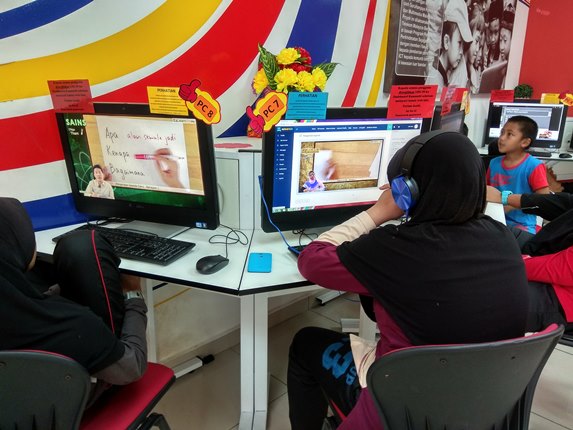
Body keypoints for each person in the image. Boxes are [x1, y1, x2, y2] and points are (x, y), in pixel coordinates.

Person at [288, 131, 529, 429]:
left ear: (407, 192)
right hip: (482, 403)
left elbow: (311, 260)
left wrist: (378, 212)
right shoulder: (503, 237)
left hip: (401, 407)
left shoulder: (394, 248)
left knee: (305, 343)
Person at [0, 197, 148, 407]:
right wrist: (133, 295)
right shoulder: (71, 326)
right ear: (20, 245)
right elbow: (132, 368)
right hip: (59, 412)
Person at [486, 188, 573, 332]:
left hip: (561, 297)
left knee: (482, 295)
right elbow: (564, 203)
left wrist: (508, 263)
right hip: (550, 249)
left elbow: (563, 269)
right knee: (487, 231)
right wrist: (505, 198)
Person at [486, 115, 550, 233]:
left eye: (509, 134)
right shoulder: (493, 163)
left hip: (522, 225)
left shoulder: (534, 166)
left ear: (525, 142)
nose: (502, 138)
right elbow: (486, 191)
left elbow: (544, 201)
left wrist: (512, 205)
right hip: (493, 220)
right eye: (502, 132)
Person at [425, 0, 474, 89]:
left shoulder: (446, 70)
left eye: (463, 46)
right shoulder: (435, 80)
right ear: (446, 41)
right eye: (459, 43)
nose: (461, 52)